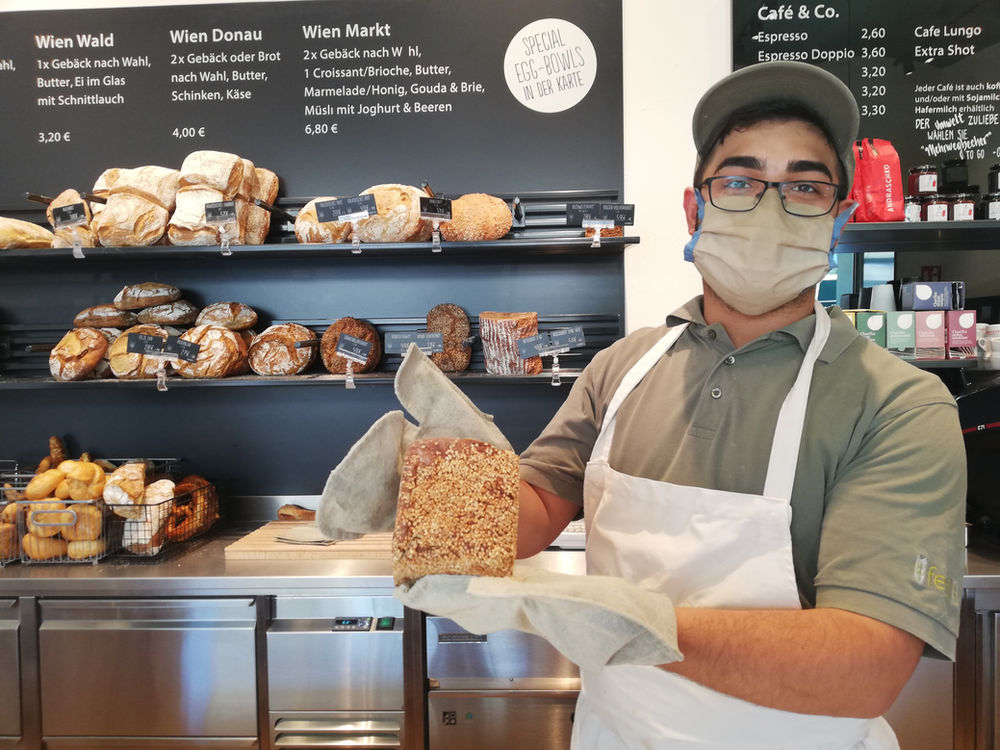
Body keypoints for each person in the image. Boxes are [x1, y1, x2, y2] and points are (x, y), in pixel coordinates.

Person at [516, 61, 967, 750]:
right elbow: (532, 507)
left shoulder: (899, 405)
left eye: (805, 188)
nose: (769, 207)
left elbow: (864, 668)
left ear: (839, 220)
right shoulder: (621, 368)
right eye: (739, 181)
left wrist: (636, 624)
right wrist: (437, 486)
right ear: (695, 209)